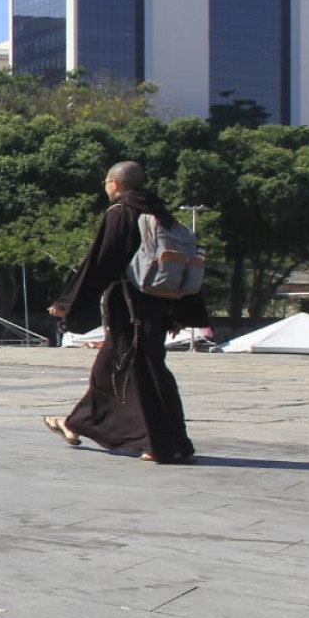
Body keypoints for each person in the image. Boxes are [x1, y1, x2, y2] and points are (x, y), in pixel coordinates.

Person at [44, 160, 204, 464]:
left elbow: (100, 262)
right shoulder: (161, 213)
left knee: (142, 370)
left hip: (130, 306)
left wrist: (67, 302)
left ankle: (166, 445)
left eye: (106, 182)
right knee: (114, 369)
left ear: (115, 184)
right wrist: (180, 311)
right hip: (159, 304)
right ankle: (75, 422)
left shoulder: (121, 212)